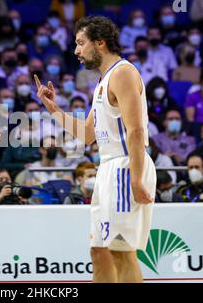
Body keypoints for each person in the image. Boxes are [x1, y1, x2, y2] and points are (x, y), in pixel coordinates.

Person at [35, 16, 156, 283]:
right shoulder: (104, 80)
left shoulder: (123, 72)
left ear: (100, 43)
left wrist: (135, 178)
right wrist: (53, 109)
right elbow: (88, 134)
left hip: (126, 166)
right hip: (109, 167)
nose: (76, 51)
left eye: (81, 43)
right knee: (99, 250)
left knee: (121, 253)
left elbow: (135, 130)